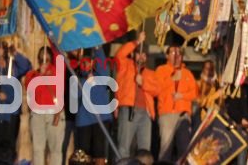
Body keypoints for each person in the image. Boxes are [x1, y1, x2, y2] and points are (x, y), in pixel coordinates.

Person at [0, 41, 32, 164]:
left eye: (4, 46)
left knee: (8, 149)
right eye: (0, 46)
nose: (3, 49)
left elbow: (27, 67)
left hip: (10, 115)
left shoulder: (12, 66)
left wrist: (16, 54)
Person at [115, 31, 158, 159]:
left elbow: (156, 90)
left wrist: (143, 83)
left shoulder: (150, 73)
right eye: (139, 53)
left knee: (145, 151)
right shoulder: (125, 65)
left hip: (145, 114)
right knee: (123, 149)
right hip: (129, 110)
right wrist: (137, 41)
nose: (141, 56)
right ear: (133, 54)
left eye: (144, 54)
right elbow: (119, 54)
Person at [154, 45, 198, 162]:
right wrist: (171, 79)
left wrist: (182, 96)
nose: (177, 55)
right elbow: (156, 89)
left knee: (184, 149)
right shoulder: (161, 70)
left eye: (179, 53)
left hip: (183, 115)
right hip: (167, 114)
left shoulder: (187, 73)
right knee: (165, 149)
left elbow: (194, 93)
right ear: (167, 55)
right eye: (173, 53)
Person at [24, 46, 66, 165]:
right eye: (42, 54)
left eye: (47, 54)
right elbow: (30, 89)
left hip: (54, 112)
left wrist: (51, 36)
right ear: (38, 58)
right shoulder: (32, 74)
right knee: (38, 149)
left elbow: (59, 54)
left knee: (55, 150)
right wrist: (40, 75)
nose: (44, 57)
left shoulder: (57, 71)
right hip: (38, 114)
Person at [74, 46, 113, 165]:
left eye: (88, 61)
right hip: (84, 120)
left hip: (101, 118)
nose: (86, 64)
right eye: (83, 62)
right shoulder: (77, 77)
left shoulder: (101, 74)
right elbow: (76, 94)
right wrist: (85, 82)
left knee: (99, 153)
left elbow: (103, 63)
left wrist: (98, 48)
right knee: (83, 155)